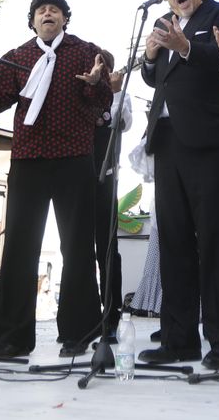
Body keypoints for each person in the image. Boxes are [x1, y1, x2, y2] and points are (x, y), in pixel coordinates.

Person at [0, 0, 113, 359]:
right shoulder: (18, 57)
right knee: (17, 248)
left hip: (75, 157)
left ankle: (78, 335)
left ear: (64, 20)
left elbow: (103, 103)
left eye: (55, 10)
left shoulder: (84, 51)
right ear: (32, 21)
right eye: (42, 10)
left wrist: (96, 83)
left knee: (77, 247)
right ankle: (10, 340)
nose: (48, 14)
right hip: (28, 158)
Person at [136, 0, 219, 370]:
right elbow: (155, 80)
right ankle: (178, 339)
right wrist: (150, 56)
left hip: (208, 143)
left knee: (216, 242)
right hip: (167, 144)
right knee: (175, 243)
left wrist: (184, 46)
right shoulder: (164, 24)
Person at [90, 51, 128, 346]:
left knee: (107, 249)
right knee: (77, 249)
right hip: (77, 173)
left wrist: (114, 93)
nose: (99, 69)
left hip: (107, 175)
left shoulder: (120, 93)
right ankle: (86, 315)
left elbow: (120, 123)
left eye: (104, 65)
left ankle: (111, 315)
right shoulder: (82, 91)